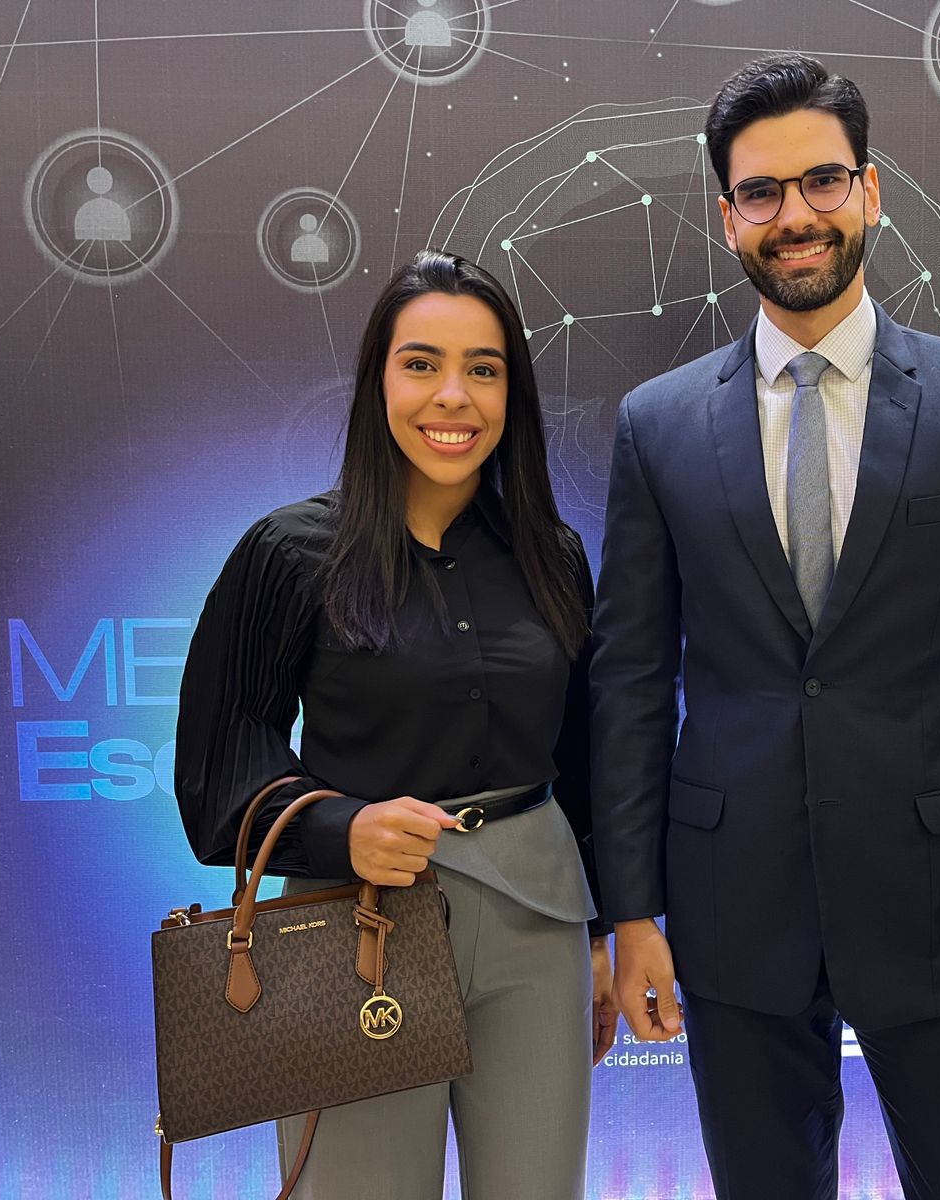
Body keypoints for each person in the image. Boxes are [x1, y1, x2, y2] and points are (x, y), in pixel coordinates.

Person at [588, 55, 940, 1200]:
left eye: (821, 181)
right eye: (760, 192)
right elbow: (627, 685)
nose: (795, 215)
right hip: (730, 918)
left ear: (869, 191)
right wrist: (628, 912)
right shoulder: (656, 426)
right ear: (727, 216)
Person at [174, 248, 614, 1200]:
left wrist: (599, 936)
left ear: (513, 394)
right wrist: (343, 828)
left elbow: (585, 761)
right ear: (379, 379)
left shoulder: (554, 555)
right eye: (422, 364)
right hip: (353, 926)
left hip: (538, 925)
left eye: (483, 369)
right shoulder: (289, 552)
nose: (453, 396)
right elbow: (219, 765)